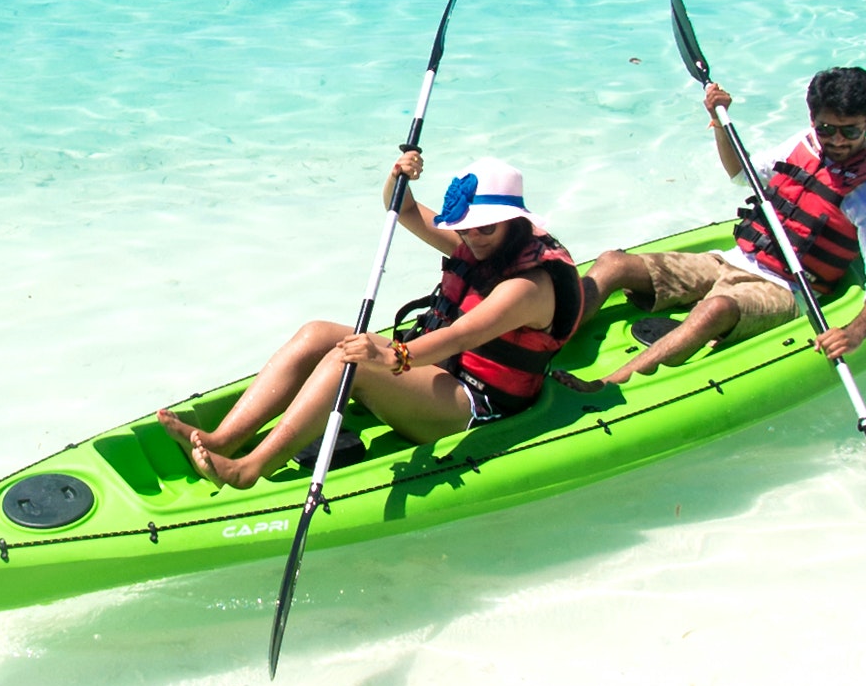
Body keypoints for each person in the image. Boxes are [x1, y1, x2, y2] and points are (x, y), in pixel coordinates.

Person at [156, 150, 596, 489]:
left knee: (351, 361)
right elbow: (402, 210)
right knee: (316, 336)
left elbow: (458, 335)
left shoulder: (527, 288)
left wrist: (391, 356)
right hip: (437, 372)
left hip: (475, 405)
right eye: (465, 228)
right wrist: (397, 177)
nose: (471, 237)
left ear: (512, 222)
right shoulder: (484, 243)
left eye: (484, 228)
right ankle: (223, 439)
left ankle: (248, 469)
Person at [591, 65, 866, 382]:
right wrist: (719, 122)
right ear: (813, 120)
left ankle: (607, 386)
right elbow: (743, 175)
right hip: (732, 260)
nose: (837, 141)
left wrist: (855, 333)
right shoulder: (803, 144)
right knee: (613, 264)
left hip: (787, 289)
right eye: (826, 129)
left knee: (714, 309)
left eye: (850, 131)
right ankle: (550, 342)